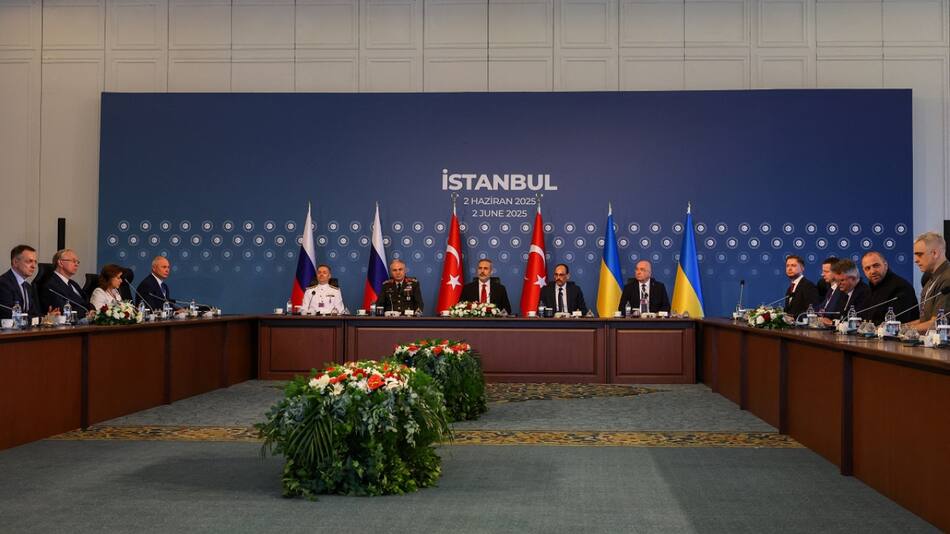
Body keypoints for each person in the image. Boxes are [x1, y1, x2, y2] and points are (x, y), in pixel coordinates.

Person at [906, 232, 950, 333]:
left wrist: (901, 330)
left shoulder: (947, 279)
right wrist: (898, 326)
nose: (916, 260)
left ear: (935, 253)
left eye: (919, 254)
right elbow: (924, 321)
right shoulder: (930, 278)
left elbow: (937, 323)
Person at [859, 251, 918, 324]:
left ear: (886, 265)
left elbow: (896, 322)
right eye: (867, 268)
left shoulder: (900, 287)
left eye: (876, 265)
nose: (872, 271)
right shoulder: (871, 289)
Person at [39, 248, 92, 316]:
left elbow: (86, 301)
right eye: (73, 261)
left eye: (77, 262)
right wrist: (86, 313)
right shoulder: (51, 285)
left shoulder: (73, 284)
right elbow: (62, 309)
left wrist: (92, 309)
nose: (76, 264)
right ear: (61, 263)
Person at [819, 259, 869, 325]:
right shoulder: (842, 291)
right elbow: (837, 316)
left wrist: (833, 323)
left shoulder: (865, 293)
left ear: (853, 278)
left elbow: (859, 322)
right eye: (836, 281)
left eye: (842, 280)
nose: (838, 284)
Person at [0, 244, 41, 320]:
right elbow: (10, 315)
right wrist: (39, 319)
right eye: (29, 261)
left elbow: (35, 313)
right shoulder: (3, 284)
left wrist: (48, 317)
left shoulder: (28, 287)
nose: (34, 266)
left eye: (35, 262)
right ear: (15, 262)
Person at [783, 254, 819, 319]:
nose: (789, 268)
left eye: (793, 265)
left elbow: (812, 311)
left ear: (802, 268)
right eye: (787, 266)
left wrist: (794, 317)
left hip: (803, 327)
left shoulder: (808, 286)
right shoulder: (790, 289)